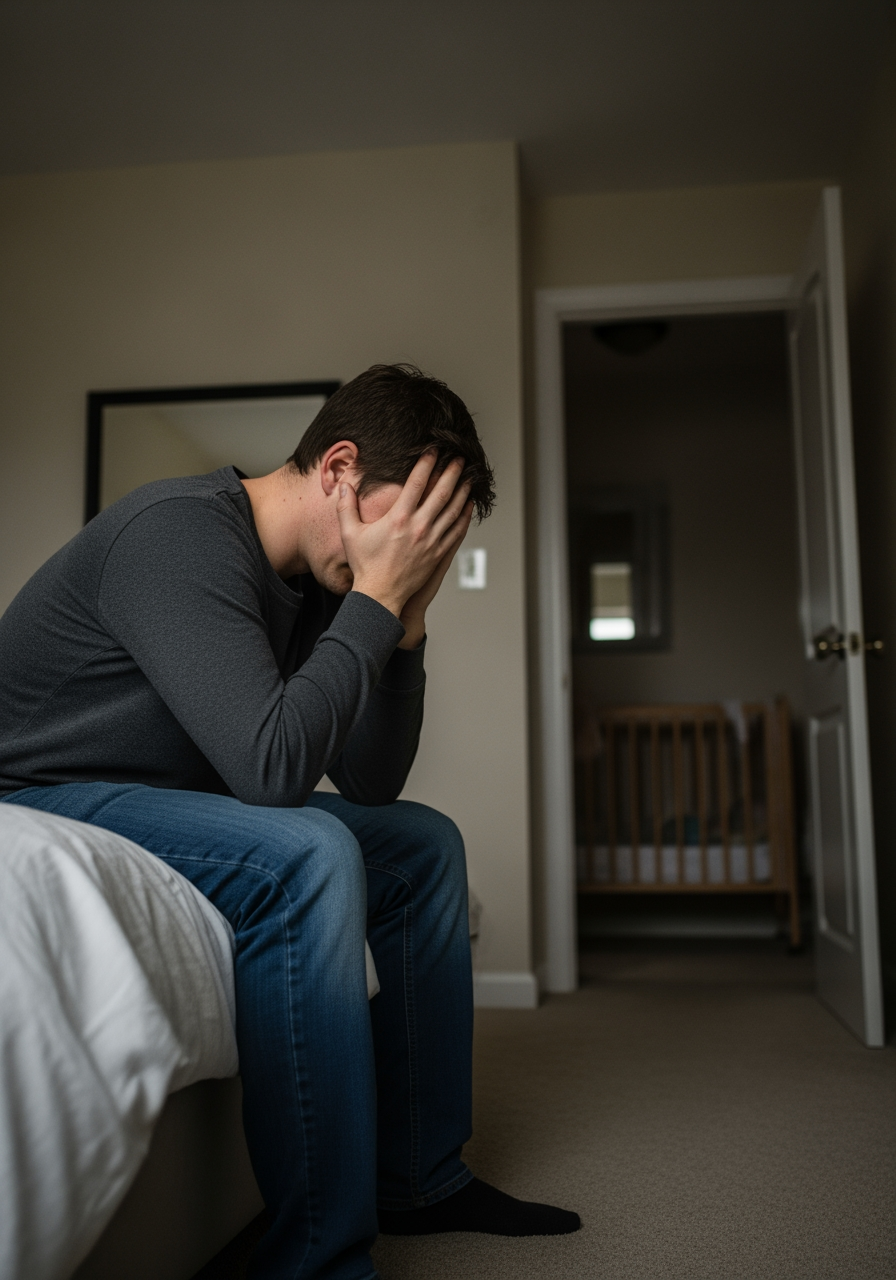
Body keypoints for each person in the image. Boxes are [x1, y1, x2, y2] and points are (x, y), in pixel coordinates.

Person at [0, 363, 580, 1279]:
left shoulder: (320, 588)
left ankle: (421, 1179)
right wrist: (378, 602)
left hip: (164, 798)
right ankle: (316, 1259)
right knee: (303, 851)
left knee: (423, 847)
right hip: (42, 789)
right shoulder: (179, 536)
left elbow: (373, 778)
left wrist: (407, 621)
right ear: (340, 467)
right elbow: (274, 774)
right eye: (410, 528)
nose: (415, 555)